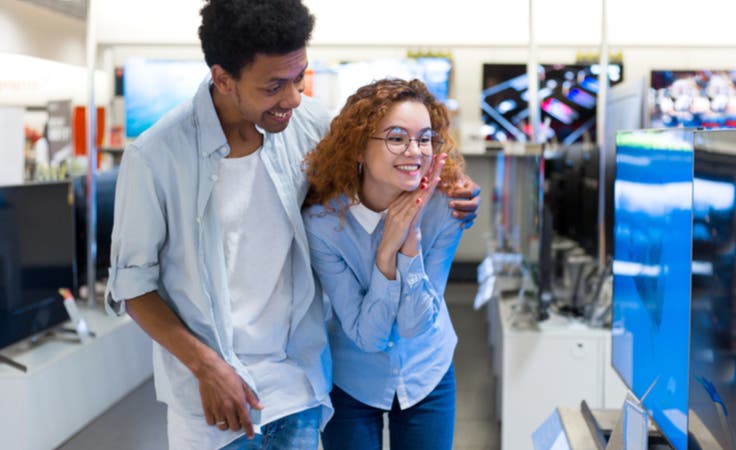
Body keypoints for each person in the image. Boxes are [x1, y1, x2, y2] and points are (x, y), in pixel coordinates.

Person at [105, 1, 481, 449]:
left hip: (298, 388)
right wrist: (206, 367)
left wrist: (448, 181)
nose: (293, 98)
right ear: (223, 79)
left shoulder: (308, 123)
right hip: (218, 398)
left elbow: (377, 158)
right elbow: (132, 286)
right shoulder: (155, 157)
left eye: (299, 77)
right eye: (273, 86)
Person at [302, 78, 465, 450]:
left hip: (427, 370)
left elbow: (415, 325)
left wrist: (409, 247)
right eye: (396, 137)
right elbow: (368, 336)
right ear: (358, 148)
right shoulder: (325, 223)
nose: (415, 151)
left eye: (424, 138)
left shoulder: (445, 209)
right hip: (353, 377)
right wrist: (385, 253)